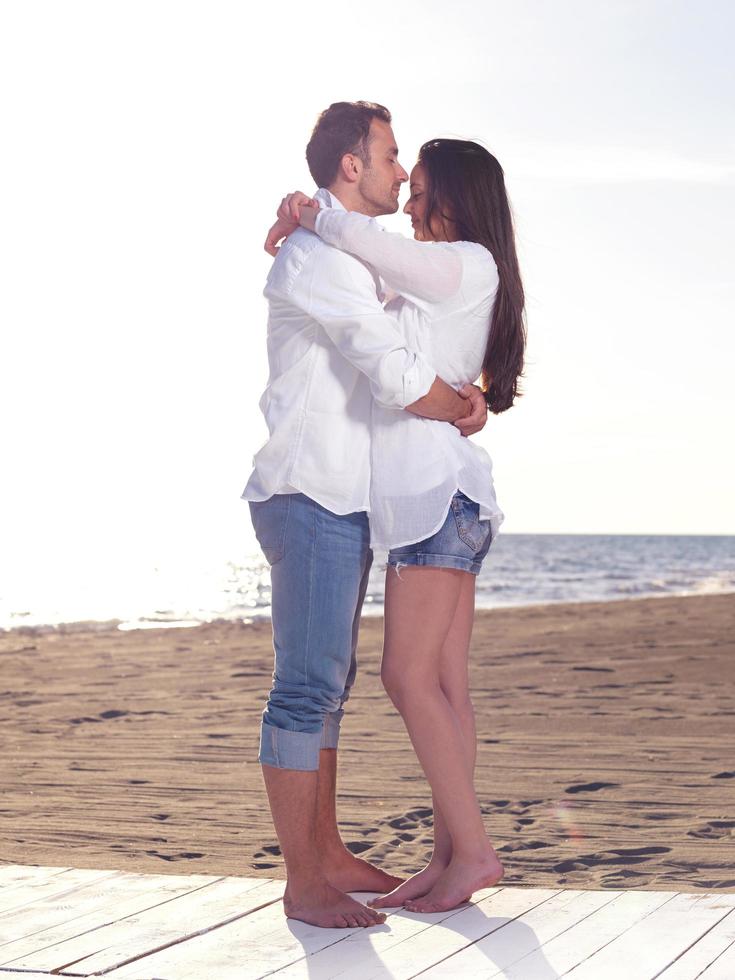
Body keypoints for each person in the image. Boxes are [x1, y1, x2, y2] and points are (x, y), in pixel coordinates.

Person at [241, 101, 489, 929]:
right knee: (305, 689)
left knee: (327, 688)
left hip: (344, 500)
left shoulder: (354, 254)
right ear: (351, 165)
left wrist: (473, 396)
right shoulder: (320, 257)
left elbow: (420, 321)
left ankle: (328, 852)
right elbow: (391, 372)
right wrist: (459, 406)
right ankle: (304, 878)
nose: (399, 175)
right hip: (308, 489)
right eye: (388, 157)